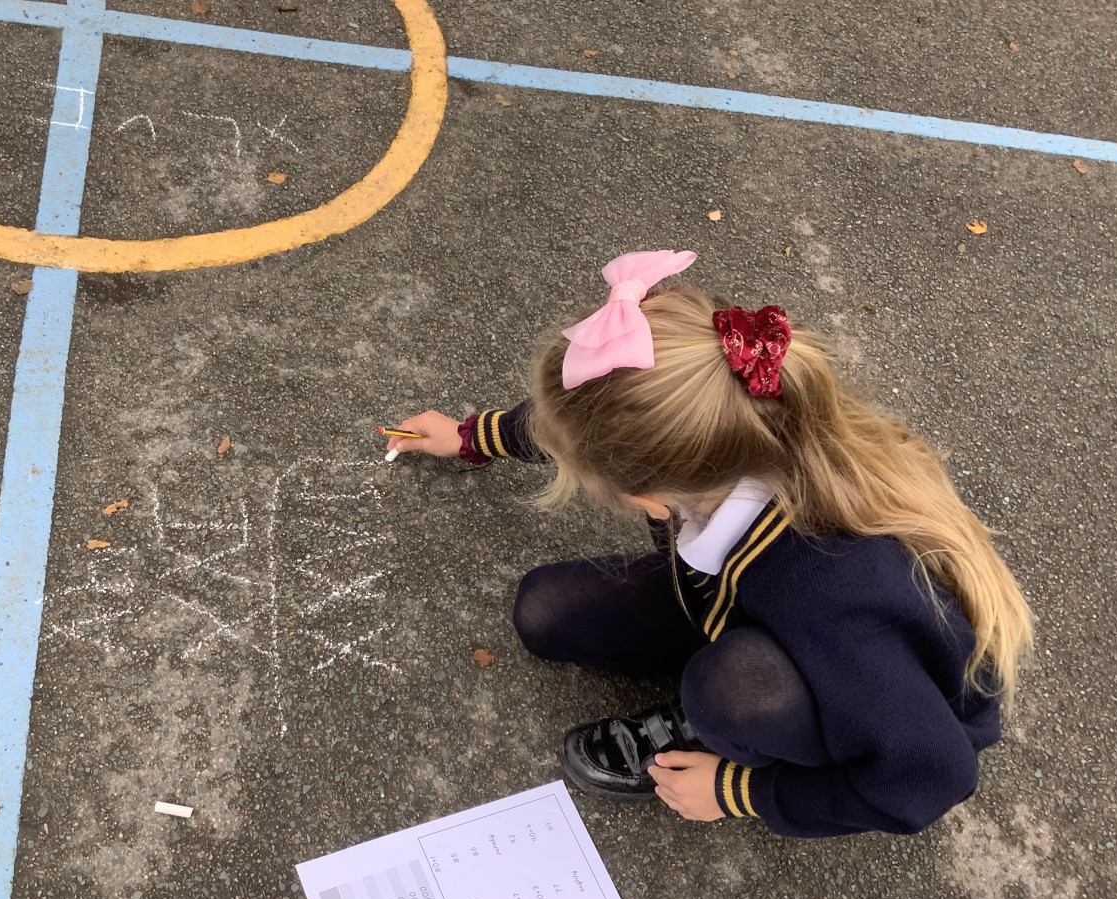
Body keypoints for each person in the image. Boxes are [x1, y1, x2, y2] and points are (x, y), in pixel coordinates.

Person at [385, 250, 1032, 838]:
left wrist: (742, 791)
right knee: (543, 610)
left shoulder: (834, 594)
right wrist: (473, 435)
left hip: (881, 689)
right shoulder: (727, 429)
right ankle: (742, 673)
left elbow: (933, 774)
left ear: (646, 497)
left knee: (727, 687)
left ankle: (739, 723)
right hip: (747, 600)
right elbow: (598, 421)